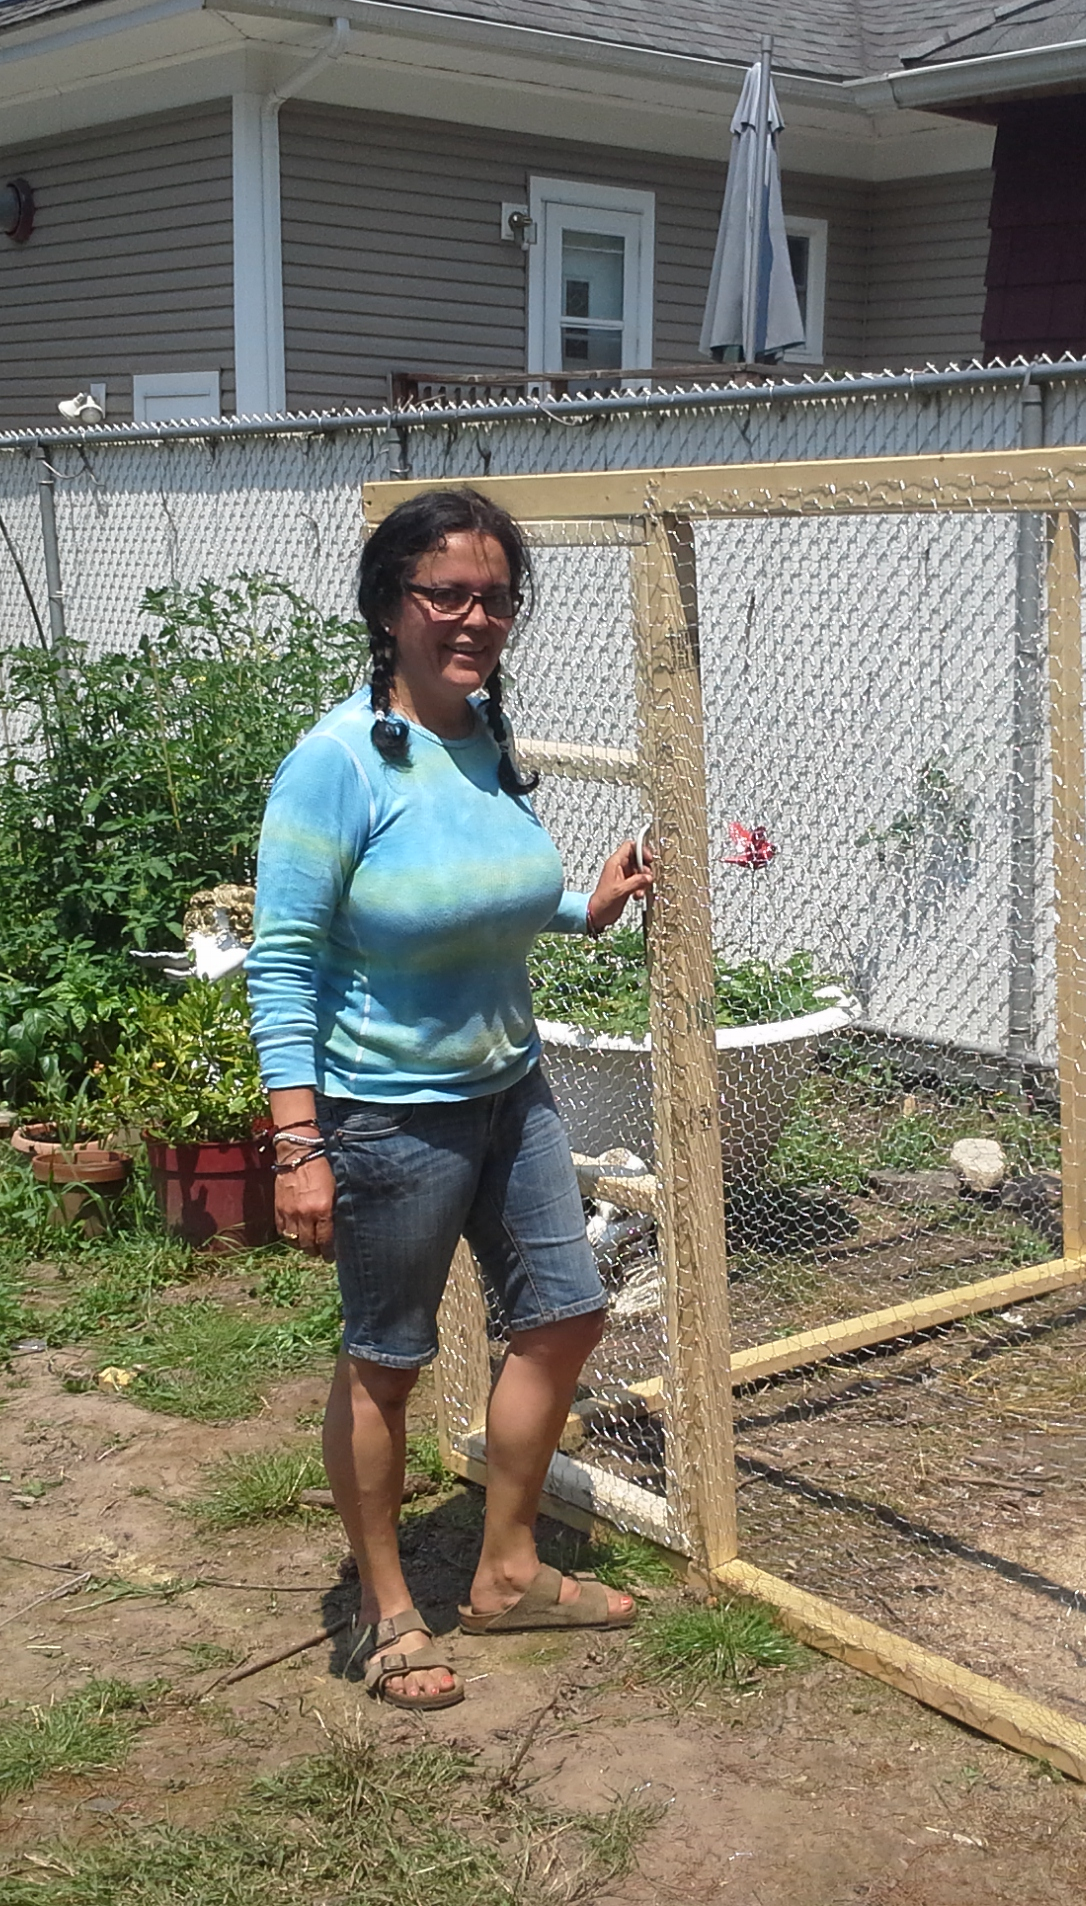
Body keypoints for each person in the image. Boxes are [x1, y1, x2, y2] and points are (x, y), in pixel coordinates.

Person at [247, 487, 653, 1710]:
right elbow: (283, 959)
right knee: (386, 1361)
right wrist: (296, 1144)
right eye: (447, 594)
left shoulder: (483, 733)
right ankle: (384, 1614)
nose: (475, 617)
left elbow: (479, 891)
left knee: (565, 1316)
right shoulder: (333, 763)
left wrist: (585, 904)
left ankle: (507, 1572)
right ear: (390, 607)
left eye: (495, 596)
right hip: (386, 1114)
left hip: (509, 1090)